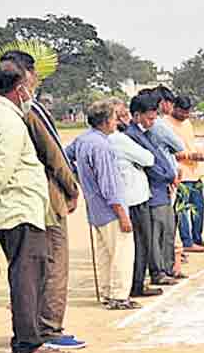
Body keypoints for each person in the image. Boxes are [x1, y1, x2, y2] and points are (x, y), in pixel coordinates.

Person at [0, 61, 64, 353]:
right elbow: (1, 169)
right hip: (17, 208)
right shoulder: (8, 120)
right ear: (19, 89)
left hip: (6, 210)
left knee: (25, 273)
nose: (31, 92)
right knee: (27, 276)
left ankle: (27, 339)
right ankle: (28, 344)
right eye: (30, 86)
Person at [1, 50, 84, 350]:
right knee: (53, 264)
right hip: (46, 196)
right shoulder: (30, 110)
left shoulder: (5, 111)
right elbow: (54, 154)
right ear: (26, 76)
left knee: (36, 266)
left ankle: (39, 326)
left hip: (28, 199)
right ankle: (48, 327)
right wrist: (72, 189)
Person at [66, 99, 136, 310]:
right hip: (110, 208)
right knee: (122, 254)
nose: (117, 122)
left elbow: (64, 156)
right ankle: (118, 296)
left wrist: (78, 176)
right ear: (106, 121)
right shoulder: (103, 146)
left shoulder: (82, 140)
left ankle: (107, 293)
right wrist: (122, 214)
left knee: (105, 254)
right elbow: (109, 185)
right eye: (114, 118)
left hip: (94, 207)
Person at [126, 91, 184, 290]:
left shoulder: (144, 133)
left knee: (165, 231)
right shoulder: (133, 136)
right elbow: (151, 164)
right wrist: (168, 175)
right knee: (154, 236)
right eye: (150, 118)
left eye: (154, 117)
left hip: (162, 189)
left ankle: (164, 270)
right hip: (152, 192)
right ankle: (157, 272)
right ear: (137, 115)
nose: (153, 121)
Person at [109, 100, 161, 296]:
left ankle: (131, 284)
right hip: (133, 198)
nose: (126, 119)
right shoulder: (119, 139)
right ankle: (136, 285)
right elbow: (148, 159)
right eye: (122, 115)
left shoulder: (97, 139)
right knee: (140, 244)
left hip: (124, 197)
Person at [165, 95, 204, 252]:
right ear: (174, 108)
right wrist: (189, 156)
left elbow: (190, 144)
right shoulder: (166, 125)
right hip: (180, 173)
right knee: (182, 210)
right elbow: (167, 153)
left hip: (194, 172)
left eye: (187, 112)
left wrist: (197, 153)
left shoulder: (187, 123)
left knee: (199, 206)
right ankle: (187, 242)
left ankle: (197, 238)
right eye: (182, 112)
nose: (185, 115)